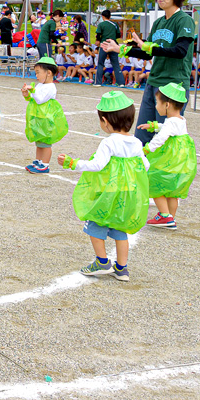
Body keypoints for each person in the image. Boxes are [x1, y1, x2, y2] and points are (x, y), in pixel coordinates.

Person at [57, 91, 149, 282]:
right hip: (126, 194)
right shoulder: (137, 142)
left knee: (95, 224)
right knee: (120, 228)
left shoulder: (109, 143)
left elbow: (96, 165)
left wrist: (72, 163)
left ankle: (102, 261)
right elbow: (145, 166)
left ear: (105, 121)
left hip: (107, 192)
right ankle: (122, 269)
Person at [100, 0, 196, 145]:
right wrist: (120, 49)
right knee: (142, 131)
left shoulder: (184, 20)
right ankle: (142, 168)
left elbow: (180, 51)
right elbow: (147, 53)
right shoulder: (158, 22)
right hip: (153, 82)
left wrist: (148, 47)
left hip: (173, 86)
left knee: (166, 136)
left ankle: (168, 171)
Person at [139, 82, 197, 230]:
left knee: (153, 179)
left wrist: (147, 149)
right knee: (173, 190)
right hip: (181, 161)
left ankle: (165, 216)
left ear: (167, 105)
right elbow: (169, 128)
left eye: (158, 102)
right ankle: (170, 217)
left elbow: (160, 138)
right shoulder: (180, 119)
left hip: (170, 159)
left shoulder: (171, 122)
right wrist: (154, 126)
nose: (156, 106)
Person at [22, 56, 69, 174]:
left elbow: (40, 100)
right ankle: (38, 161)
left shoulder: (50, 87)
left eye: (38, 73)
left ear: (48, 73)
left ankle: (45, 164)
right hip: (38, 117)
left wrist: (32, 90)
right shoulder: (39, 85)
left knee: (46, 143)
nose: (36, 76)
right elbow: (31, 99)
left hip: (46, 118)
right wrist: (26, 94)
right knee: (39, 141)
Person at [94, 10, 124, 86]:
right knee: (116, 64)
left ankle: (98, 82)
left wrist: (98, 40)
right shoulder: (115, 24)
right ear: (110, 16)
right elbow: (118, 35)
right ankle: (121, 83)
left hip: (104, 44)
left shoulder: (101, 24)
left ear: (102, 16)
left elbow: (98, 34)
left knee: (100, 63)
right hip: (113, 45)